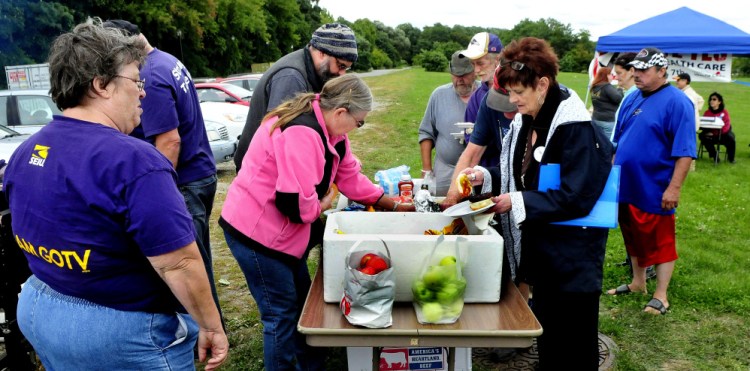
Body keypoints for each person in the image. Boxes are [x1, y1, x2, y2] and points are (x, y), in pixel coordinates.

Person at [3, 20, 228, 370]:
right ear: (101, 85)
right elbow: (179, 263)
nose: (142, 92)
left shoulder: (28, 148)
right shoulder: (134, 161)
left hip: (38, 308)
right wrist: (212, 326)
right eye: (136, 81)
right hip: (116, 329)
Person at [220, 74, 412, 370]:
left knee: (300, 302)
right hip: (256, 234)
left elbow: (348, 176)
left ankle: (310, 363)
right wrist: (322, 205)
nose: (358, 129)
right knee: (280, 314)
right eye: (359, 122)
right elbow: (294, 204)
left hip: (282, 234)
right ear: (340, 112)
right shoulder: (304, 133)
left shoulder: (330, 129)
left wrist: (390, 203)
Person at [461, 37, 612, 370]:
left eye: (519, 93)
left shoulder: (575, 129)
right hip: (544, 252)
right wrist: (484, 180)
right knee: (548, 334)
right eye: (510, 92)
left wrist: (514, 201)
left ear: (543, 84)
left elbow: (575, 198)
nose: (512, 101)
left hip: (573, 259)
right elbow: (520, 178)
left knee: (572, 341)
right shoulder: (528, 119)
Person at [103, 19, 223, 321]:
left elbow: (169, 141)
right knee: (199, 259)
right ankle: (212, 324)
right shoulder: (168, 60)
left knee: (185, 265)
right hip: (200, 173)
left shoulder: (149, 75)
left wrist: (160, 191)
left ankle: (202, 333)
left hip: (184, 182)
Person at [607, 47, 696, 317]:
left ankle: (661, 295)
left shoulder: (677, 102)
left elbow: (685, 151)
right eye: (636, 69)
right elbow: (619, 139)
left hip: (655, 186)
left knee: (660, 240)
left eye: (644, 70)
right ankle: (638, 282)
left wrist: (674, 187)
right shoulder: (633, 97)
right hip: (626, 184)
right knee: (632, 236)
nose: (637, 74)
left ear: (661, 71)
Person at [234, 22, 358, 172]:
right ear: (322, 53)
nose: (342, 73)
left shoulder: (315, 73)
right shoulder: (291, 77)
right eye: (340, 65)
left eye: (346, 68)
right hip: (260, 173)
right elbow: (285, 141)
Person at [443, 66, 517, 206]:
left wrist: (519, 201)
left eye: (511, 106)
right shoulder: (487, 101)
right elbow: (472, 153)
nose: (507, 115)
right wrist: (452, 198)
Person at [418, 51, 479, 195]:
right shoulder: (439, 95)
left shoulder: (485, 95)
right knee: (442, 210)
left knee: (477, 211)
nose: (460, 79)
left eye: (464, 75)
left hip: (478, 173)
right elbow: (426, 132)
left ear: (475, 71)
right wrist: (426, 169)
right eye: (456, 75)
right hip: (445, 171)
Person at [460, 32, 503, 123]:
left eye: (480, 63)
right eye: (473, 64)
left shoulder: (517, 92)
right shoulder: (476, 97)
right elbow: (469, 134)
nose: (476, 70)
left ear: (498, 60)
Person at [700, 92, 736, 163]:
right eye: (710, 99)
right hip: (710, 135)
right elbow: (703, 125)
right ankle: (715, 156)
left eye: (714, 99)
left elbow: (726, 126)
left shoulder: (724, 112)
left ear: (719, 102)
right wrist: (706, 132)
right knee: (702, 136)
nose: (711, 101)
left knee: (731, 139)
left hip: (723, 135)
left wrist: (714, 133)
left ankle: (731, 159)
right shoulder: (707, 113)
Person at [590, 66, 623, 139]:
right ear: (606, 76)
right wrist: (620, 89)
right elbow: (618, 98)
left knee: (598, 141)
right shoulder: (607, 87)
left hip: (596, 118)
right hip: (608, 120)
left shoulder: (594, 87)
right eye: (610, 74)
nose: (613, 76)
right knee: (608, 143)